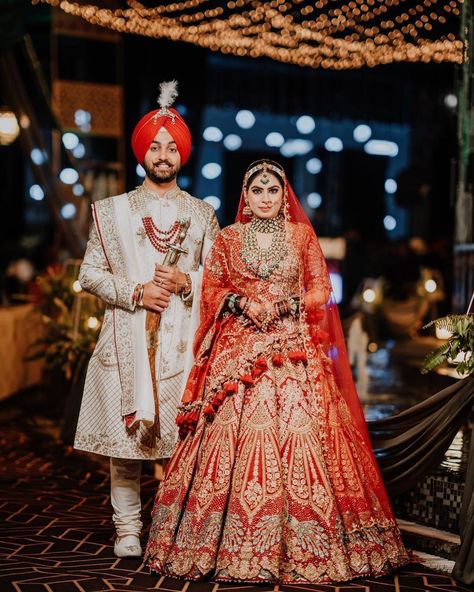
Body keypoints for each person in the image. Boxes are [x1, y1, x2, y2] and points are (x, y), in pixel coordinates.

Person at [145, 159, 408, 584]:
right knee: (227, 421)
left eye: (272, 190)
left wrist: (288, 304)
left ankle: (308, 546)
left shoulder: (301, 236)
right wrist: (241, 303)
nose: (265, 198)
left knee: (303, 422)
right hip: (240, 343)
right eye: (257, 190)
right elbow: (212, 288)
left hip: (290, 341)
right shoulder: (228, 239)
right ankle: (215, 543)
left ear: (283, 195)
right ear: (245, 196)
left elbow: (321, 287)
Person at [74, 81, 219, 558]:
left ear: (182, 155)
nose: (163, 154)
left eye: (171, 147)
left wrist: (184, 282)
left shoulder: (202, 215)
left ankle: (173, 524)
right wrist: (136, 292)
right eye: (155, 146)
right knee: (125, 442)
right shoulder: (112, 211)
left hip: (181, 344)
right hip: (126, 339)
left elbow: (219, 279)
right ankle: (128, 528)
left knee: (182, 443)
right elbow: (89, 273)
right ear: (143, 152)